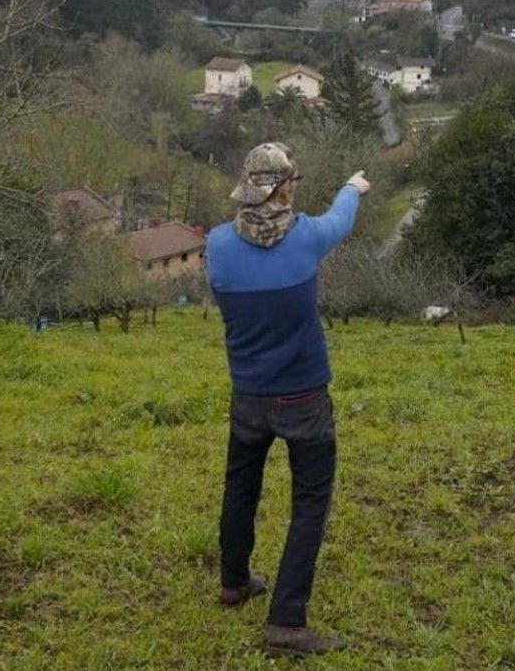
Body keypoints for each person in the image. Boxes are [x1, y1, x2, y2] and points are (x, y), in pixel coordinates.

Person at [204, 141, 370, 657]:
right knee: (310, 503)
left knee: (241, 486)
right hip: (303, 399)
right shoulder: (306, 239)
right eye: (291, 184)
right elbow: (341, 220)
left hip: (248, 395)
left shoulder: (215, 244)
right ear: (283, 189)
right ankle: (286, 622)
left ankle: (234, 581)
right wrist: (353, 186)